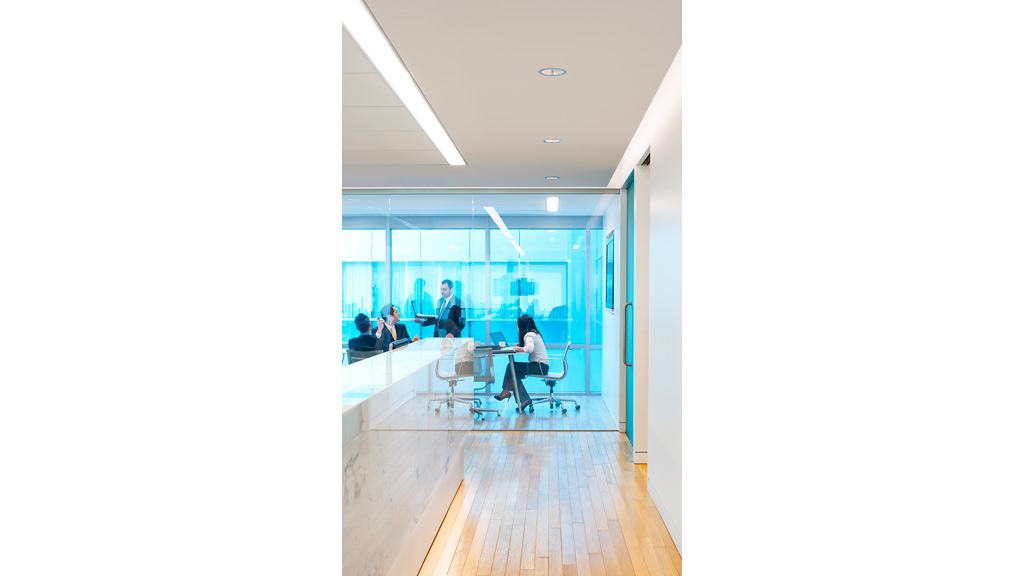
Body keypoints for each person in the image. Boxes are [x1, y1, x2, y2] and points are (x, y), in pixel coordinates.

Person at [494, 315, 549, 410]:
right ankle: (524, 400)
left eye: (518, 325)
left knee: (511, 367)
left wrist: (516, 348)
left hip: (539, 367)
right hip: (541, 366)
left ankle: (506, 392)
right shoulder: (534, 333)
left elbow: (529, 349)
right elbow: (530, 346)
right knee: (513, 373)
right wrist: (520, 345)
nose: (517, 327)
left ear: (522, 326)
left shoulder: (529, 335)